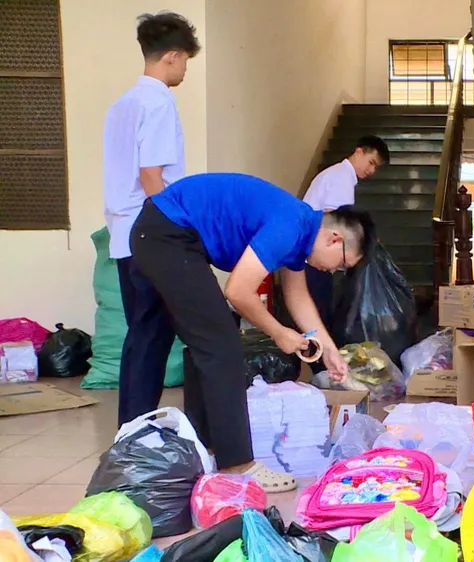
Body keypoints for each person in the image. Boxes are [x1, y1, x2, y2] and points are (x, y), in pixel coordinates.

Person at [129, 172, 372, 491]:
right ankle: (237, 463)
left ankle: (133, 444)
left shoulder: (299, 230)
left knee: (153, 340)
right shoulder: (289, 225)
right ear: (333, 239)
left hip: (157, 230)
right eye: (341, 265)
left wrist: (327, 348)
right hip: (169, 234)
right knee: (220, 343)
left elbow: (297, 296)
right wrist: (278, 332)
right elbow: (239, 291)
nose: (335, 271)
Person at [102, 12, 200, 427]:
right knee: (154, 336)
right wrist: (174, 228)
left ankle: (131, 426)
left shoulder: (123, 104)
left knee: (142, 334)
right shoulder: (158, 101)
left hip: (124, 234)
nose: (183, 71)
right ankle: (138, 431)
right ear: (172, 56)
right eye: (184, 62)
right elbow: (151, 175)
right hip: (151, 235)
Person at [301, 135, 390, 363]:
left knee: (317, 312)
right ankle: (319, 366)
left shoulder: (339, 176)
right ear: (358, 151)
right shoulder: (340, 177)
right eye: (371, 162)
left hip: (310, 252)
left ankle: (319, 363)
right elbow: (337, 221)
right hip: (313, 257)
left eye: (376, 168)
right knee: (317, 315)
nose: (371, 171)